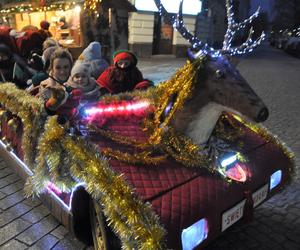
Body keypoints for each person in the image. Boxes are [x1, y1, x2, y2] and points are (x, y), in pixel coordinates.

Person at [34, 47, 82, 121]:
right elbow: (41, 113)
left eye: (66, 67)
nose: (62, 72)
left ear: (71, 67)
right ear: (52, 69)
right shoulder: (46, 87)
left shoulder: (78, 82)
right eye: (58, 68)